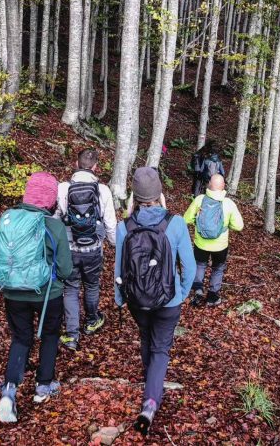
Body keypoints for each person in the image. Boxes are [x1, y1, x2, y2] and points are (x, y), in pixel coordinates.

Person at [115, 167, 196, 435]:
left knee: (146, 337)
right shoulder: (175, 224)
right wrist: (181, 294)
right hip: (168, 300)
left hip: (137, 300)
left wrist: (120, 298)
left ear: (135, 197)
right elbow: (190, 266)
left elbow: (119, 268)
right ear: (159, 192)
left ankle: (151, 380)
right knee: (160, 349)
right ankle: (150, 402)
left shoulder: (124, 226)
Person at [0, 172, 73, 423]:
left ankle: (9, 389)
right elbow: (65, 268)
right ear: (51, 199)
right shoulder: (54, 225)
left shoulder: (9, 218)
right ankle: (43, 385)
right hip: (48, 293)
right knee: (50, 335)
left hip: (13, 291)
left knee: (21, 338)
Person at [56, 148, 117, 350]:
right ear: (95, 167)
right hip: (93, 249)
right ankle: (92, 321)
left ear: (76, 163)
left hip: (69, 248)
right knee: (91, 285)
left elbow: (57, 218)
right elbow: (110, 223)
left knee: (71, 288)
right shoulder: (103, 190)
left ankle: (72, 335)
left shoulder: (63, 188)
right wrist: (115, 243)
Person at [183, 173, 243, 307]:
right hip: (220, 246)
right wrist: (226, 226)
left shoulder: (199, 200)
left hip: (201, 243)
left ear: (209, 184)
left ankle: (197, 291)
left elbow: (186, 219)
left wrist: (197, 222)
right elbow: (239, 226)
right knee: (218, 268)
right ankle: (212, 296)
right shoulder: (228, 204)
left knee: (200, 265)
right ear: (223, 187)